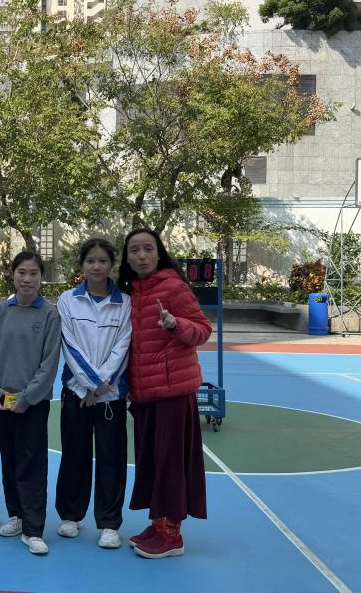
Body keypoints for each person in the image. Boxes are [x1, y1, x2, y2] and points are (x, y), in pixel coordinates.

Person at [116, 228, 211, 559]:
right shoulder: (131, 293)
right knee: (153, 463)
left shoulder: (174, 287)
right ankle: (158, 525)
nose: (141, 255)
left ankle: (172, 536)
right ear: (127, 258)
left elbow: (203, 330)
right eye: (134, 250)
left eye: (148, 249)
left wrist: (175, 325)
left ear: (159, 254)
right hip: (145, 395)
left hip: (172, 393)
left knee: (170, 465)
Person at [0, 252, 61, 555]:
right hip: (3, 402)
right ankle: (16, 515)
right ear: (12, 275)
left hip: (33, 404)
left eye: (33, 273)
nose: (27, 279)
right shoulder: (0, 311)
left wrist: (27, 397)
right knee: (10, 460)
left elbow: (49, 363)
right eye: (22, 272)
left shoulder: (49, 315)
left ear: (41, 278)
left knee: (33, 464)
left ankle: (33, 528)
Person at [54, 238, 132, 550]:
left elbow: (123, 346)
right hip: (76, 392)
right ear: (82, 265)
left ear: (111, 264)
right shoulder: (67, 301)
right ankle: (70, 515)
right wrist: (89, 385)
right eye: (90, 261)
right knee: (74, 454)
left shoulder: (125, 303)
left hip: (110, 395)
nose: (96, 266)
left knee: (112, 458)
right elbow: (69, 345)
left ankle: (110, 523)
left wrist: (100, 386)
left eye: (102, 261)